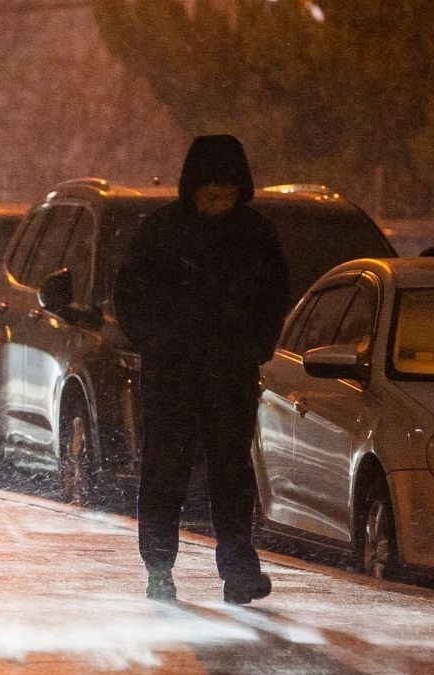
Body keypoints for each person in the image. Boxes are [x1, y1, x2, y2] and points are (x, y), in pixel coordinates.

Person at [114, 134, 292, 604]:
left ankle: (238, 570)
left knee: (231, 473)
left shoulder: (254, 236)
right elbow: (130, 296)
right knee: (164, 471)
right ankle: (158, 565)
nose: (218, 205)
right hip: (173, 374)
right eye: (210, 196)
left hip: (228, 374)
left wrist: (254, 346)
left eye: (227, 197)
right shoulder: (162, 233)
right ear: (192, 191)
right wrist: (157, 340)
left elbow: (274, 298)